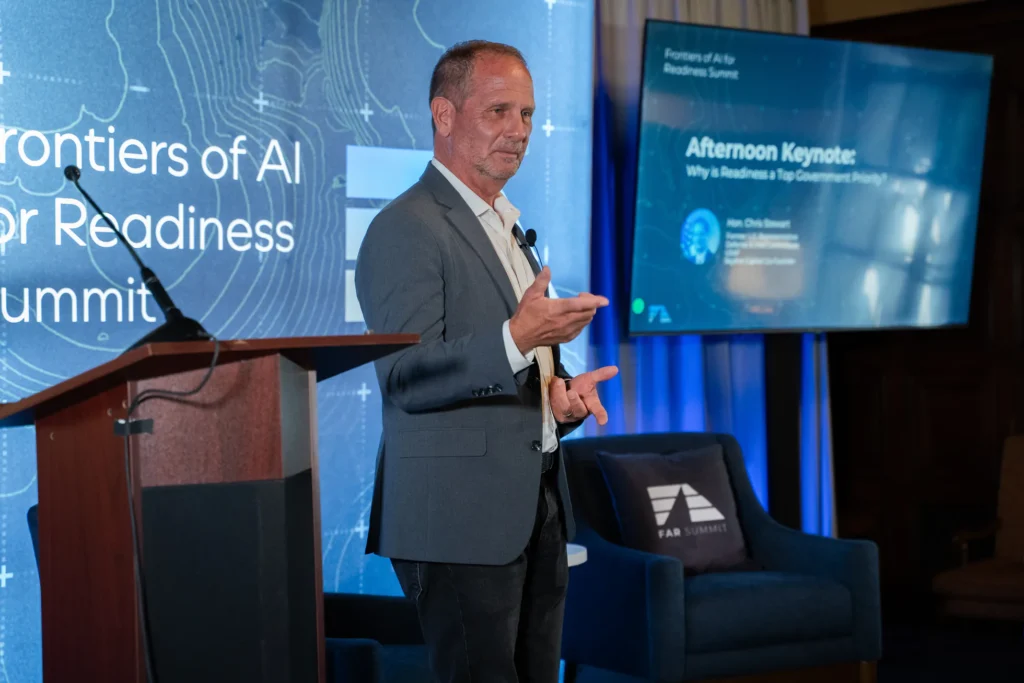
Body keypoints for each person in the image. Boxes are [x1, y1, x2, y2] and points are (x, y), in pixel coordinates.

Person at [355, 40, 618, 683]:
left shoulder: (509, 226)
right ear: (444, 115)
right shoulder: (406, 226)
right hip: (458, 518)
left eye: (527, 114)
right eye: (499, 111)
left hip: (536, 505)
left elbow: (513, 359)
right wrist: (517, 339)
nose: (518, 131)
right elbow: (406, 377)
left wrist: (558, 400)